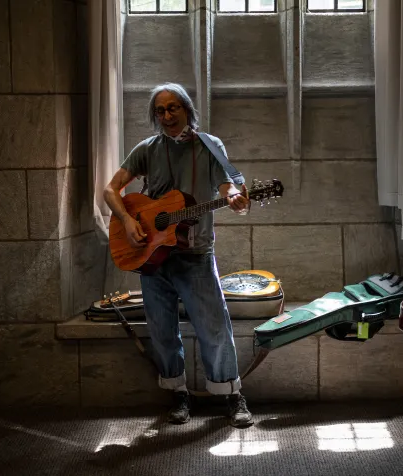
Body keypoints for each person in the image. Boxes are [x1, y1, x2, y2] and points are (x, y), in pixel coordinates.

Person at [103, 82, 253, 428]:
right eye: (160, 110)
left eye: (174, 108)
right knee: (162, 330)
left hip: (195, 252)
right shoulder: (147, 149)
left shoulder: (209, 145)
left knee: (214, 328)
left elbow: (226, 184)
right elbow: (111, 189)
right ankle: (179, 394)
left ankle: (231, 396)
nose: (167, 115)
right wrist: (127, 221)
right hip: (152, 256)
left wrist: (234, 197)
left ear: (187, 109)